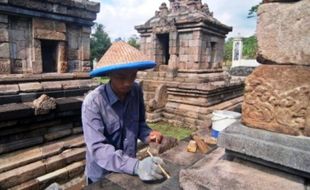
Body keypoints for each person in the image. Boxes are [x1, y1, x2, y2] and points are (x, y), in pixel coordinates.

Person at [82, 41, 165, 184]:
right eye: (121, 77)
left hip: (128, 170)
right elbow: (98, 148)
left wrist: (148, 135)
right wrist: (136, 166)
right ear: (109, 75)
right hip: (102, 175)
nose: (127, 82)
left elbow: (139, 123)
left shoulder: (136, 91)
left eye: (132, 76)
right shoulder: (93, 102)